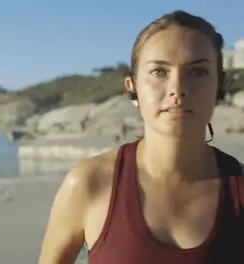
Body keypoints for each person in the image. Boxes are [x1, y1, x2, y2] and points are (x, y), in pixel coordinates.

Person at [38, 10, 244, 264]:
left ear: (220, 85)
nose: (177, 89)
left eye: (198, 71)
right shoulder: (88, 184)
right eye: (159, 71)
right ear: (132, 87)